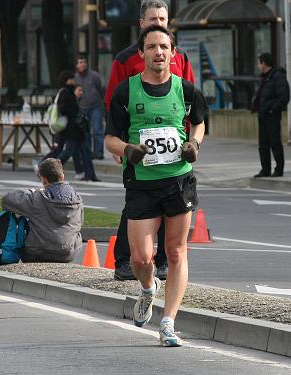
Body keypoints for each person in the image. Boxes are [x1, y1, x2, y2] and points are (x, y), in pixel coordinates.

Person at [104, 25, 208, 347]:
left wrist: (194, 143)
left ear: (173, 53)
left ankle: (168, 322)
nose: (158, 52)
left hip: (179, 181)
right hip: (142, 184)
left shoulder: (187, 90)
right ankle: (149, 289)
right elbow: (109, 138)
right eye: (152, 47)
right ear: (142, 53)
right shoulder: (126, 92)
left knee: (176, 252)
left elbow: (200, 121)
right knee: (141, 258)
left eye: (164, 46)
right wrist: (127, 150)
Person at [104, 0, 195, 281]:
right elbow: (113, 102)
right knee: (136, 207)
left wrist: (192, 140)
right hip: (137, 146)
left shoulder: (179, 57)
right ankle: (124, 260)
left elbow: (189, 99)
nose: (159, 22)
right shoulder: (126, 59)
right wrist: (121, 146)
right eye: (153, 18)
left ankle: (165, 261)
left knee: (173, 203)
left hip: (174, 148)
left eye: (163, 18)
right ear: (141, 23)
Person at [1, 158, 83, 263]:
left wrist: (31, 191)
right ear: (62, 177)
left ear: (43, 179)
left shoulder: (36, 198)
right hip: (68, 253)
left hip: (37, 253)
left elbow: (7, 200)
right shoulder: (77, 198)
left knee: (17, 216)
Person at [55, 71, 99, 182]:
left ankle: (90, 174)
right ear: (67, 80)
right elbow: (63, 109)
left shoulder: (69, 91)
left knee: (85, 151)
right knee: (69, 151)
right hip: (71, 128)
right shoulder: (65, 92)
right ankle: (51, 170)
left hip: (76, 128)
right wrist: (75, 113)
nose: (73, 81)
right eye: (71, 79)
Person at [251, 53, 290, 178]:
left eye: (259, 63)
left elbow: (284, 97)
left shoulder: (277, 76)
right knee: (263, 144)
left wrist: (272, 109)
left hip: (271, 115)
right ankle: (265, 169)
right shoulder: (265, 77)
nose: (258, 66)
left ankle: (279, 169)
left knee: (275, 142)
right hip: (263, 114)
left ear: (264, 63)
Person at [74, 55, 106, 160]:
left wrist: (102, 102)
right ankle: (88, 152)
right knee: (86, 131)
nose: (83, 64)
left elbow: (102, 89)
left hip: (95, 106)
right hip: (82, 107)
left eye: (84, 62)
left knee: (97, 130)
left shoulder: (94, 76)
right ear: (77, 65)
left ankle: (99, 152)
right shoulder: (75, 78)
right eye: (80, 62)